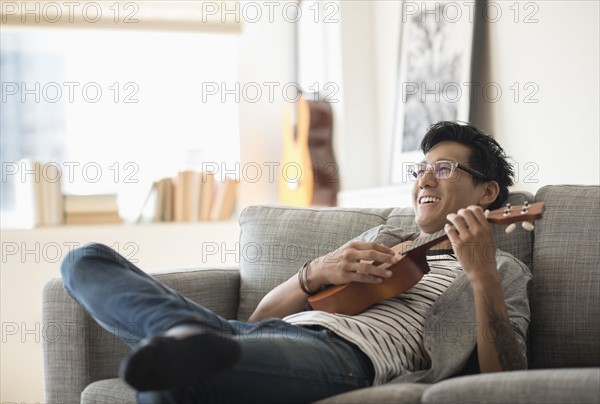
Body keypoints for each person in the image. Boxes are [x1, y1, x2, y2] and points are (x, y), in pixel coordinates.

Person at [61, 121, 531, 403]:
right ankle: (182, 336)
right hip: (259, 334)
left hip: (345, 357)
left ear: (487, 192)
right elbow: (259, 319)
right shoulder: (384, 237)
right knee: (85, 259)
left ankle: (178, 340)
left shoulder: (503, 270)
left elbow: (505, 380)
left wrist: (481, 273)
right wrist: (315, 272)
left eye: (444, 169)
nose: (424, 179)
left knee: (176, 381)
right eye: (420, 169)